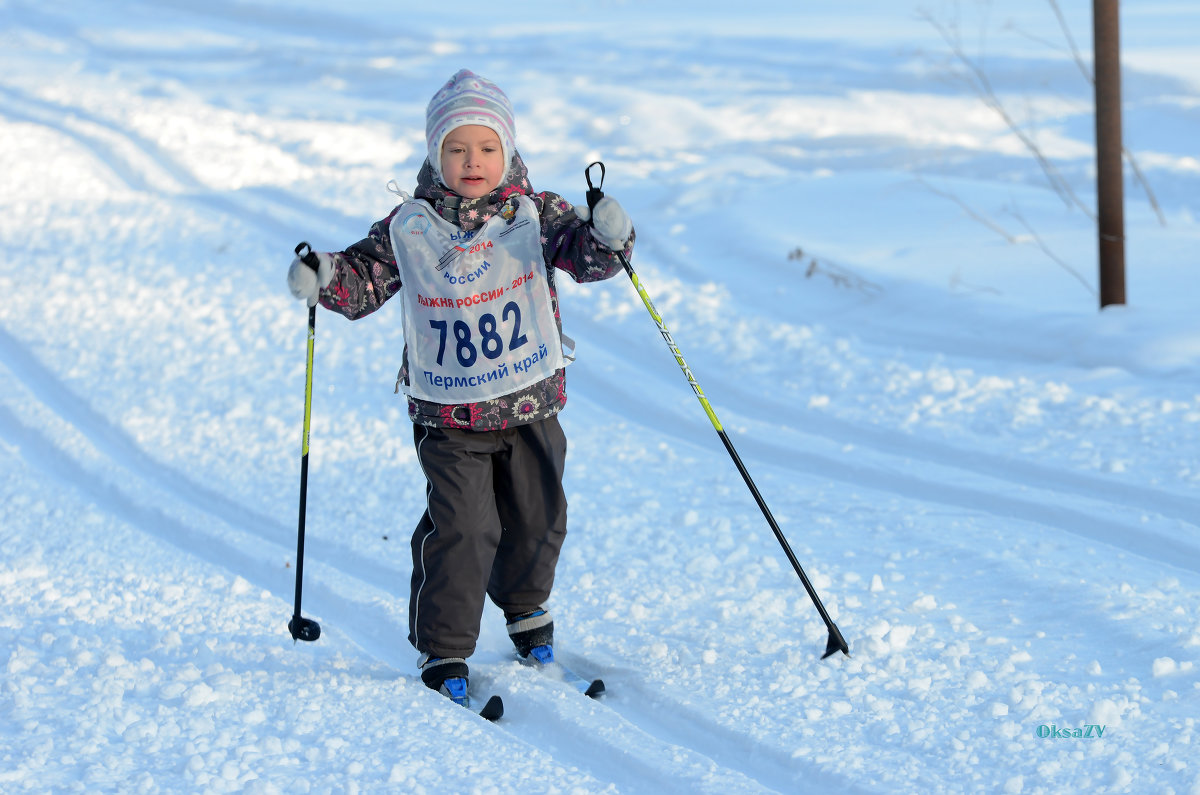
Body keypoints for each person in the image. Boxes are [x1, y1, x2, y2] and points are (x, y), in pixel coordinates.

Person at [285, 69, 634, 706]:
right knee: (465, 528)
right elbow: (364, 280)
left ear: (508, 150)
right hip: (449, 413)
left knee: (538, 515)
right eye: (456, 148)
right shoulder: (410, 225)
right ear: (434, 153)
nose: (472, 161)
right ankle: (443, 647)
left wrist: (609, 235)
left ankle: (528, 613)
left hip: (531, 400)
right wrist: (324, 276)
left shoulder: (534, 211)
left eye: (486, 148)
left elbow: (585, 257)